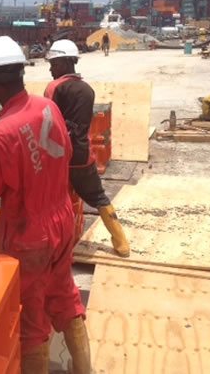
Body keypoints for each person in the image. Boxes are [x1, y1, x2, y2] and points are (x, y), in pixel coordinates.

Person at [0, 36, 91, 373]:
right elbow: (66, 152)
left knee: (31, 317)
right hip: (62, 219)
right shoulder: (48, 107)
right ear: (20, 73)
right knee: (64, 294)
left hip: (30, 235)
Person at [44, 39, 129, 258]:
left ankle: (56, 248)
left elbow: (48, 124)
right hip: (82, 155)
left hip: (59, 157)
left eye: (53, 64)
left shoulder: (54, 87)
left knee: (53, 202)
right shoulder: (87, 90)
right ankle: (121, 242)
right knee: (99, 197)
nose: (51, 69)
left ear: (64, 63)